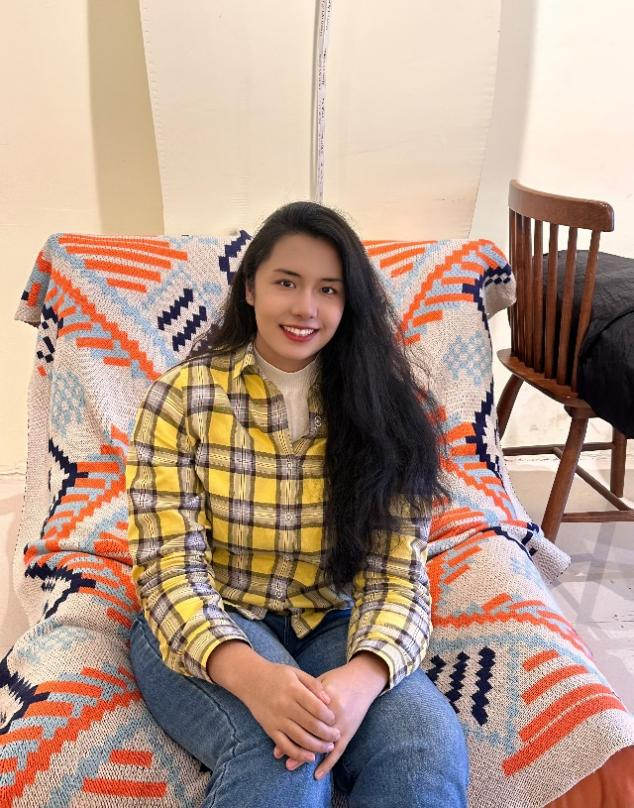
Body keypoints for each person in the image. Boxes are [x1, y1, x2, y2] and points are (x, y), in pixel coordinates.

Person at [126, 201, 469, 808]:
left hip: (335, 622)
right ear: (250, 288)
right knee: (285, 760)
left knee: (424, 750)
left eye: (328, 289)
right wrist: (254, 678)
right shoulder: (179, 398)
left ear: (349, 302)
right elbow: (167, 566)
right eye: (286, 282)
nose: (306, 308)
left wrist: (364, 678)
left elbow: (398, 574)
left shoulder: (388, 407)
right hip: (211, 618)